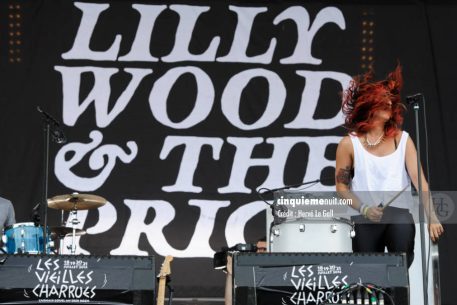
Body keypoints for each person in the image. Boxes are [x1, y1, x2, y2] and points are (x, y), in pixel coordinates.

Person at [335, 64, 444, 268]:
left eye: (389, 99)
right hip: (365, 216)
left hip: (398, 213)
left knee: (398, 270)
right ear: (368, 105)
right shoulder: (348, 144)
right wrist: (365, 208)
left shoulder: (403, 140)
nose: (388, 102)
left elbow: (420, 182)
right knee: (368, 278)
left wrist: (432, 216)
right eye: (382, 99)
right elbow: (341, 188)